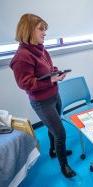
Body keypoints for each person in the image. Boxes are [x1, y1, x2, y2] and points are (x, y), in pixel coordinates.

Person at [10, 14, 76, 178]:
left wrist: (55, 73)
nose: (45, 33)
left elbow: (47, 69)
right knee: (60, 133)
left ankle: (54, 150)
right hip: (42, 102)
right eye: (41, 29)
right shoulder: (22, 57)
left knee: (53, 126)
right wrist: (51, 80)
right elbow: (25, 84)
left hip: (54, 95)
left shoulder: (41, 49)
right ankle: (64, 166)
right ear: (29, 30)